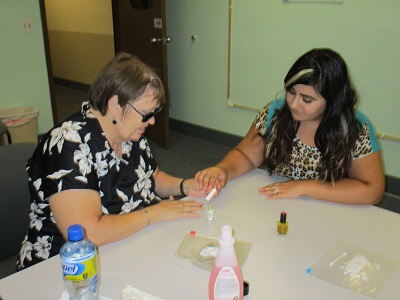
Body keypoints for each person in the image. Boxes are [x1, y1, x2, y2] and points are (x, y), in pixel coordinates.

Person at [17, 53, 205, 270]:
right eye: (146, 114)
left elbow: (151, 177)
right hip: (67, 267)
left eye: (155, 113)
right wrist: (155, 213)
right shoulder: (69, 144)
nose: (152, 121)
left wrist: (185, 185)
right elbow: (88, 233)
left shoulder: (130, 132)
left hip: (125, 245)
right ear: (116, 103)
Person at [195, 48, 385, 205]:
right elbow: (246, 155)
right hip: (280, 202)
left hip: (330, 206)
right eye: (291, 92)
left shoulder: (355, 128)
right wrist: (223, 169)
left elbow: (372, 190)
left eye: (307, 99)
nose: (294, 104)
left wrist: (305, 187)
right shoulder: (276, 112)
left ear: (333, 101)